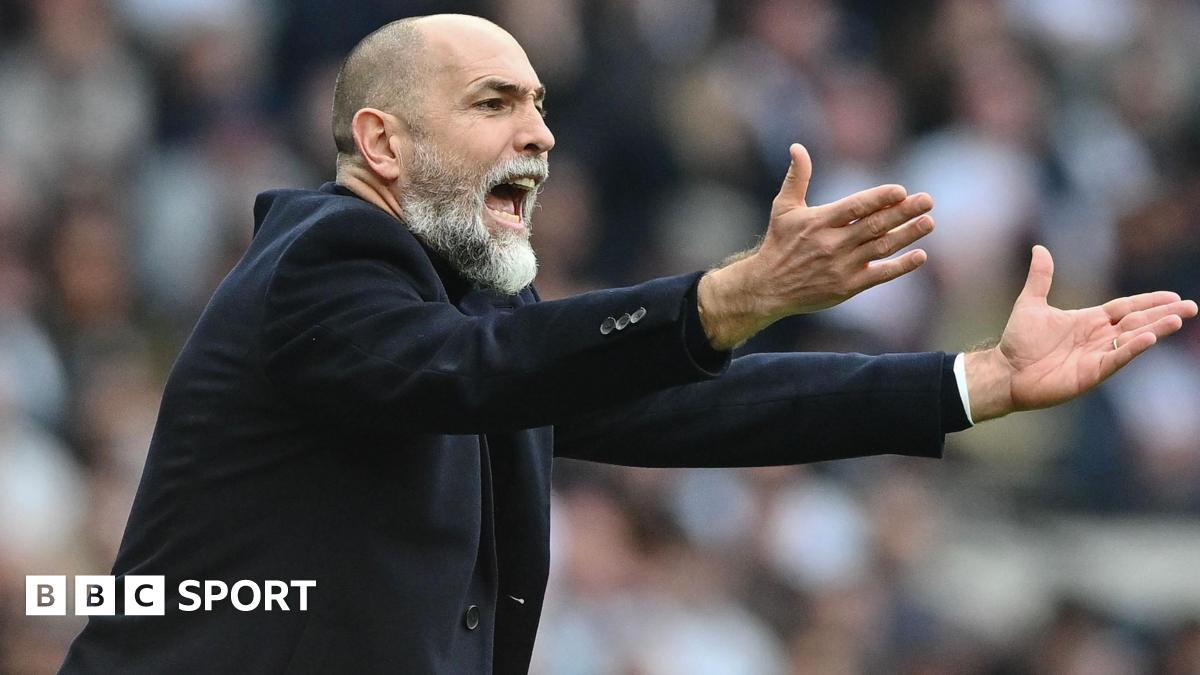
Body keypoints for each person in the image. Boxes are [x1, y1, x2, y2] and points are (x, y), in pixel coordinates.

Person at [59, 14, 1196, 675]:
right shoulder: (323, 260)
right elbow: (478, 375)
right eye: (495, 103)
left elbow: (694, 403)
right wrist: (730, 296)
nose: (541, 134)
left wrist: (973, 381)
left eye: (541, 104)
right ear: (383, 143)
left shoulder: (459, 307)